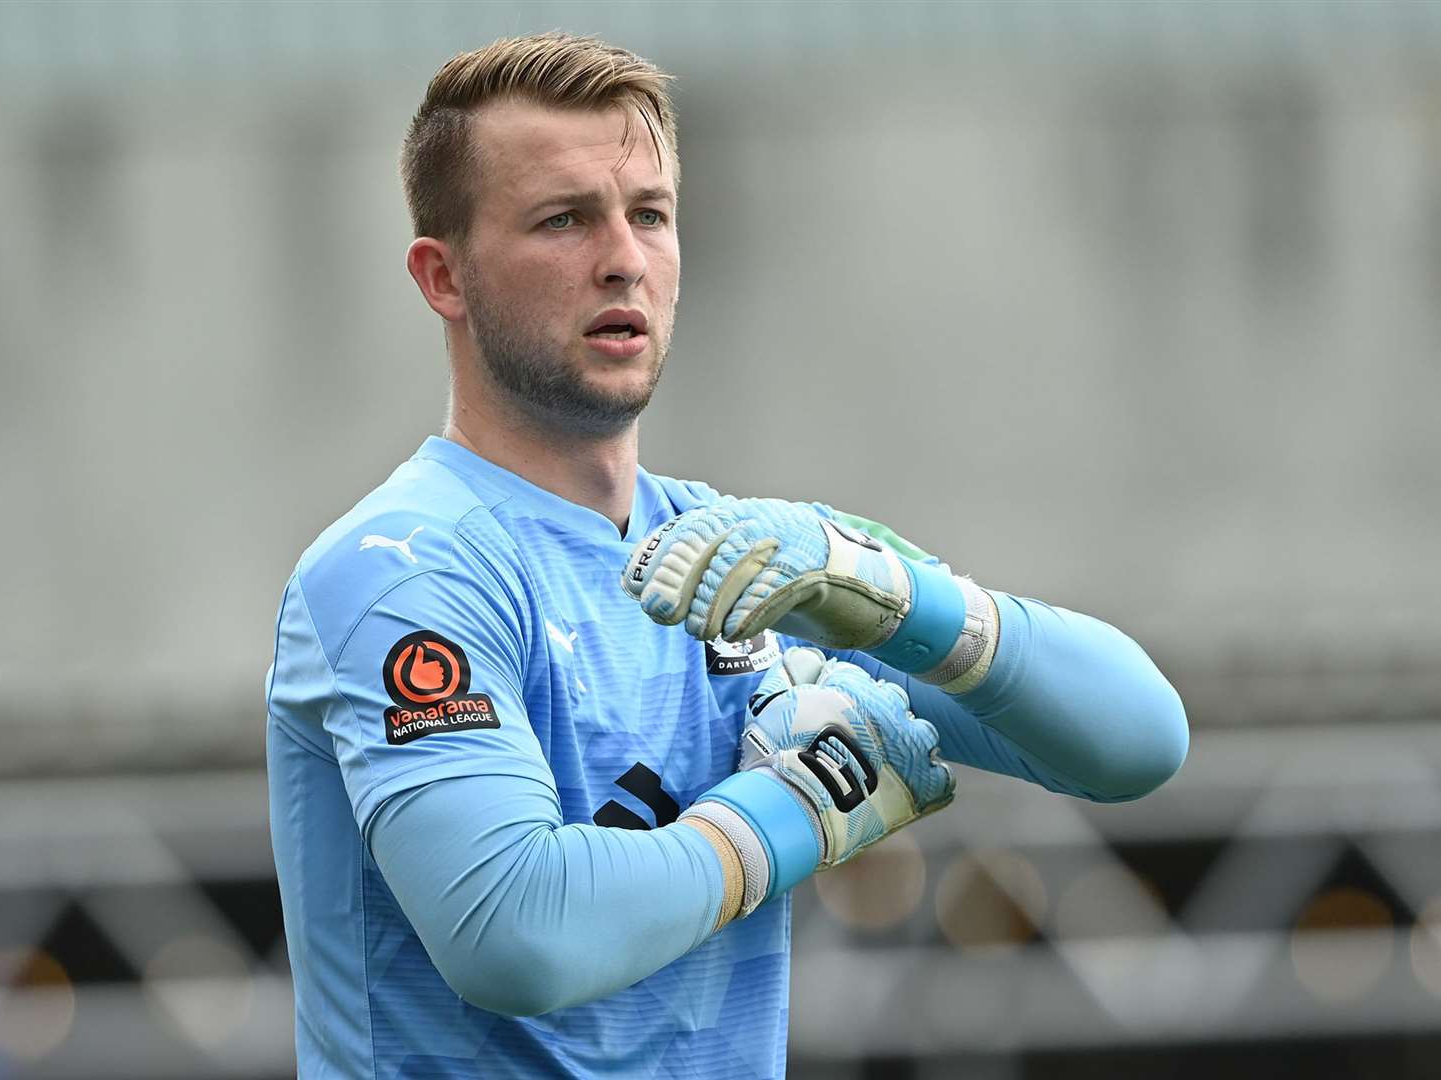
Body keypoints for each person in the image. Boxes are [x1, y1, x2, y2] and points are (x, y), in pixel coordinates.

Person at [265, 33, 1187, 1078]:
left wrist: (899, 599)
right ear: (445, 277)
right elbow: (517, 933)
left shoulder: (749, 557)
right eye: (563, 219)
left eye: (649, 214)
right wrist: (800, 804)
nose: (624, 257)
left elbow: (1137, 741)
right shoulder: (405, 568)